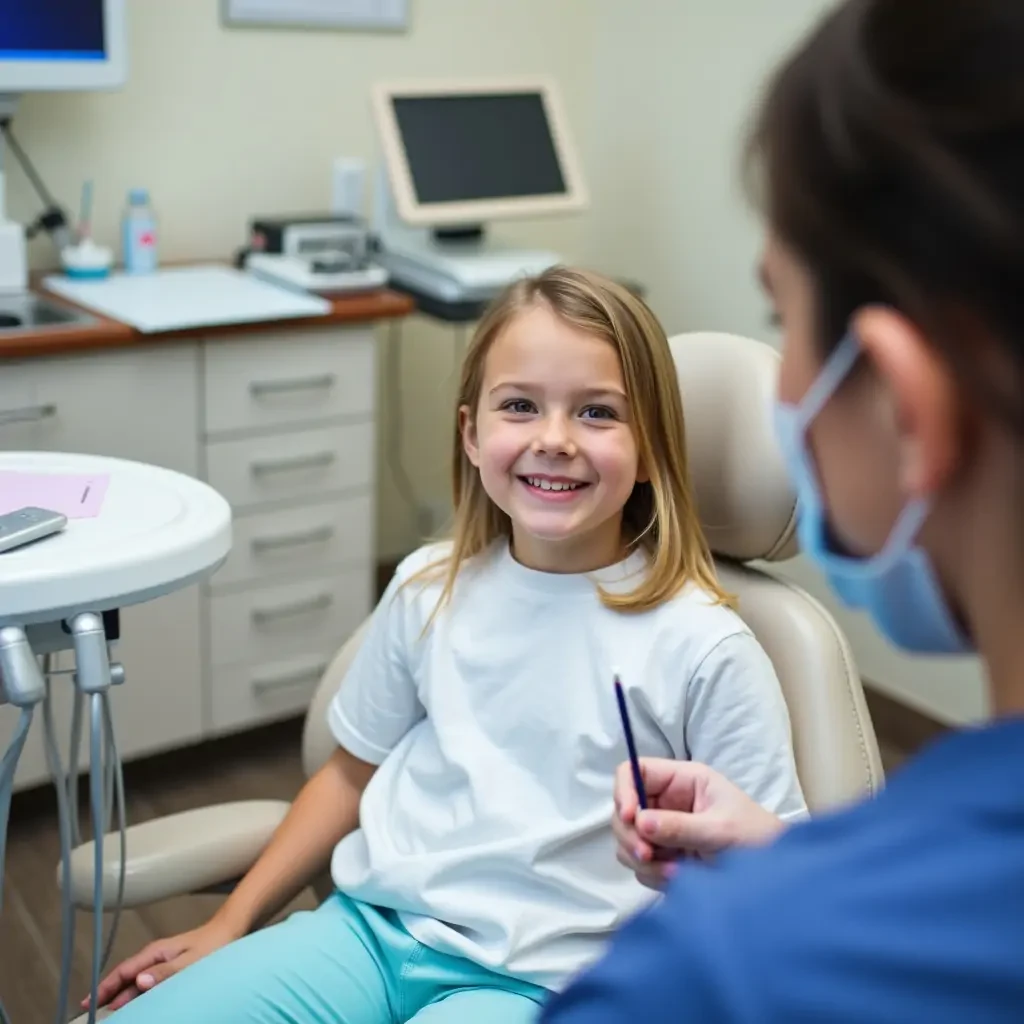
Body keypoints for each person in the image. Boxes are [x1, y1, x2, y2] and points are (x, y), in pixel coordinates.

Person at [91, 266, 806, 1023]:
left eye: (597, 413)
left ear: (654, 449)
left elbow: (779, 869)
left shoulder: (704, 645)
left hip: (544, 983)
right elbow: (348, 775)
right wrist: (230, 925)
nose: (554, 440)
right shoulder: (431, 588)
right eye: (520, 406)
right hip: (366, 935)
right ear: (471, 434)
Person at [540, 1, 1024, 1022]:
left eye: (781, 317)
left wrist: (794, 899)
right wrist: (795, 860)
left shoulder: (715, 975)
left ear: (902, 405)